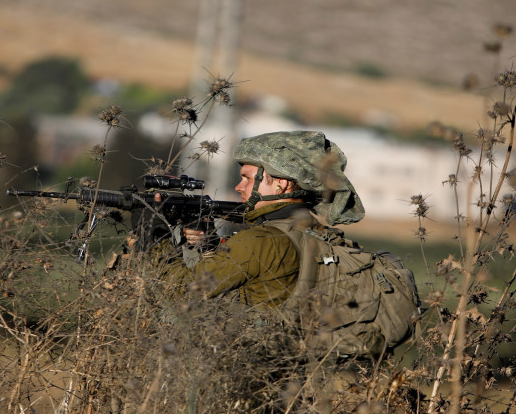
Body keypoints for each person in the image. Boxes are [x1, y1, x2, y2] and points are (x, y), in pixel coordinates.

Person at [151, 129, 364, 308]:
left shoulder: (260, 241)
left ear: (283, 184)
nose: (238, 187)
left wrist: (154, 235)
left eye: (247, 178)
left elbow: (179, 290)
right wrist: (210, 247)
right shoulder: (313, 232)